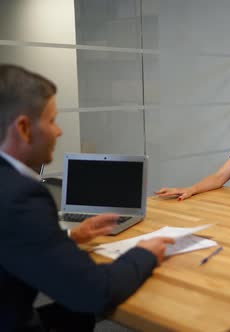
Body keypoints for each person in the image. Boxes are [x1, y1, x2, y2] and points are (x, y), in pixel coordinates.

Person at [0, 64, 175, 332]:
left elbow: (12, 240)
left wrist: (71, 237)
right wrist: (145, 252)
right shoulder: (19, 195)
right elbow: (93, 292)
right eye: (51, 121)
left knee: (72, 315)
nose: (58, 132)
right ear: (23, 128)